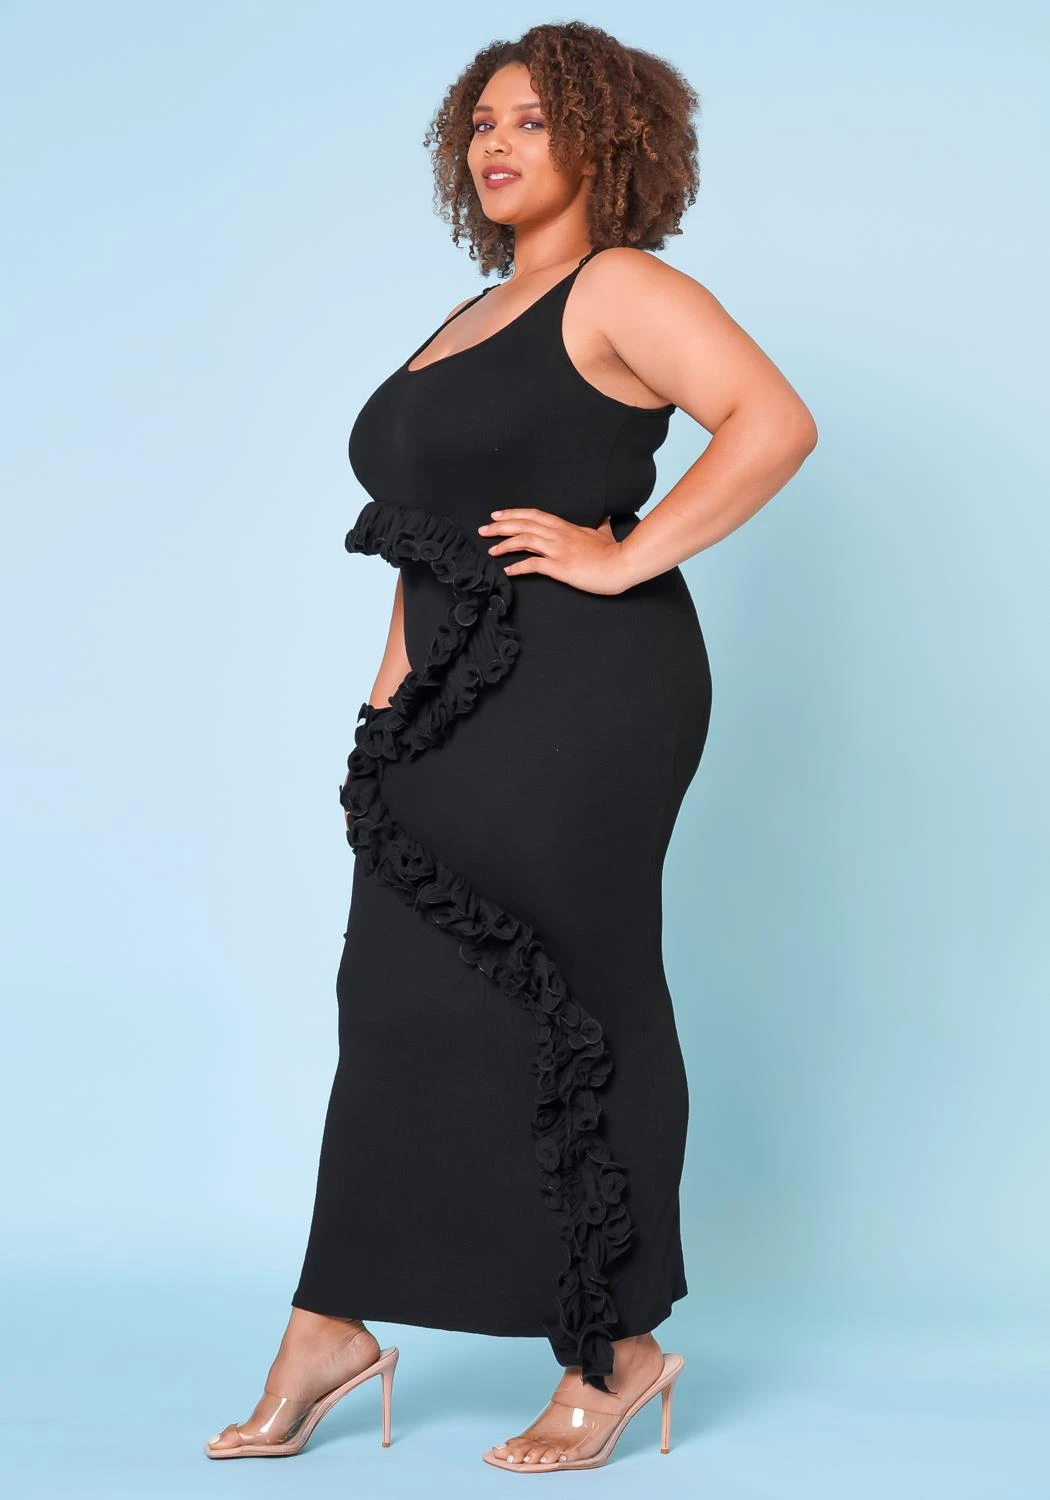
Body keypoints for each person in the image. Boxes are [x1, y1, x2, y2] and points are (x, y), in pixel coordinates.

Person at [204, 19, 817, 1471]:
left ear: (606, 138)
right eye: (482, 121)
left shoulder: (624, 286)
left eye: (534, 120)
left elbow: (772, 423)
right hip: (446, 695)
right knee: (392, 990)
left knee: (577, 989)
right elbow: (424, 544)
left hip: (588, 691)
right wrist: (383, 707)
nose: (497, 143)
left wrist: (625, 555)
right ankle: (330, 1322)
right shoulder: (471, 314)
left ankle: (617, 1349)